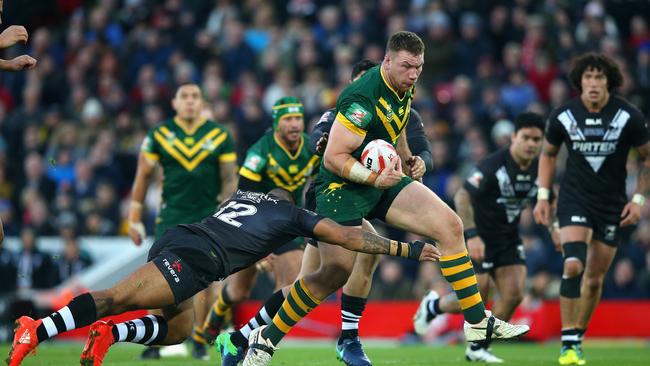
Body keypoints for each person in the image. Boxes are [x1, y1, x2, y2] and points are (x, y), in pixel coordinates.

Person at [242, 31, 529, 366]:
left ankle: (478, 322)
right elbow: (333, 157)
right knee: (334, 273)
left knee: (450, 224)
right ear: (387, 60)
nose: (413, 74)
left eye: (418, 68)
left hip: (381, 179)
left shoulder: (403, 86)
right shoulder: (360, 98)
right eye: (407, 66)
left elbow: (399, 128)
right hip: (340, 189)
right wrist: (374, 177)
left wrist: (410, 160)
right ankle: (266, 337)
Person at [6, 189, 440, 366]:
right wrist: (409, 247)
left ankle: (109, 335)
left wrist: (260, 252)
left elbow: (244, 233)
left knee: (176, 330)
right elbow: (347, 237)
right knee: (114, 296)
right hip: (196, 259)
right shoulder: (291, 215)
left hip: (184, 241)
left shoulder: (246, 198)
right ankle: (36, 329)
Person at [215, 59, 433, 366]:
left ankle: (237, 339)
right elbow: (321, 134)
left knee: (307, 284)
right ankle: (348, 339)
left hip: (359, 200)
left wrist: (420, 161)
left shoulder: (402, 114)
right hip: (328, 200)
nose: (364, 89)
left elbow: (424, 151)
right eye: (359, 82)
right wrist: (322, 143)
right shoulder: (343, 111)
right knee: (361, 253)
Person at [533, 52, 650, 366]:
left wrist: (638, 200)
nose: (594, 83)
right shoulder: (563, 116)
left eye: (600, 78)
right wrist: (544, 196)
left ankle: (576, 338)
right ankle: (568, 341)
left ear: (609, 81)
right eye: (588, 78)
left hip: (611, 205)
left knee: (595, 278)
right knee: (573, 265)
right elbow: (547, 155)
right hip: (574, 199)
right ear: (579, 82)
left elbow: (647, 158)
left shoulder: (629, 116)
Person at [412, 112, 551, 363]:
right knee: (478, 297)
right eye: (526, 138)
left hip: (508, 237)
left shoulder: (538, 168)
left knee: (513, 295)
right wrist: (473, 235)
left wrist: (554, 226)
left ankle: (477, 348)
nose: (531, 144)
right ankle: (434, 307)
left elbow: (543, 201)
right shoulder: (493, 164)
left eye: (536, 139)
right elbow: (463, 196)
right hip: (481, 237)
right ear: (514, 138)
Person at [127, 83, 238, 359]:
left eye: (195, 97)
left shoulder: (220, 135)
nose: (190, 101)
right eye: (184, 97)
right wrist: (134, 218)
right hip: (171, 218)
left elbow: (229, 180)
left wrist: (228, 214)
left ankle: (200, 338)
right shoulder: (159, 134)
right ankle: (154, 343)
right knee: (156, 280)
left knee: (212, 284)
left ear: (202, 103)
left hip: (208, 219)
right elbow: (143, 175)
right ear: (174, 103)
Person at [201, 96, 319, 344]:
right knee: (239, 292)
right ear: (277, 123)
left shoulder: (311, 148)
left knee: (289, 287)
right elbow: (243, 196)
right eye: (288, 119)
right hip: (254, 227)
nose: (295, 124)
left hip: (288, 226)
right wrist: (262, 249)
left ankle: (258, 339)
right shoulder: (260, 152)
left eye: (298, 118)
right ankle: (220, 310)